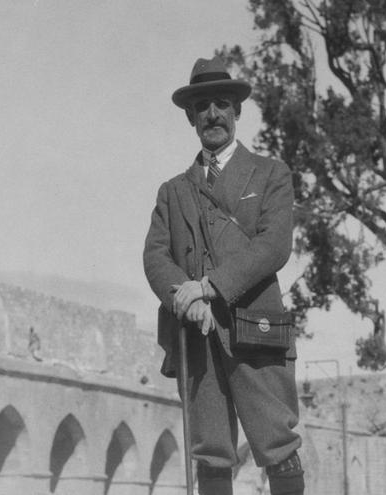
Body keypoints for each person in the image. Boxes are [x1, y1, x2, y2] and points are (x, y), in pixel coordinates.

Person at [143, 57, 304, 495]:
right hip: (196, 338)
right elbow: (156, 256)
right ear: (191, 119)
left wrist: (210, 287)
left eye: (221, 103)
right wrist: (186, 297)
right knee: (210, 454)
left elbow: (273, 246)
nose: (212, 114)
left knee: (279, 445)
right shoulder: (172, 192)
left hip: (256, 331)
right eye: (202, 107)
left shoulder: (271, 174)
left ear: (237, 112)